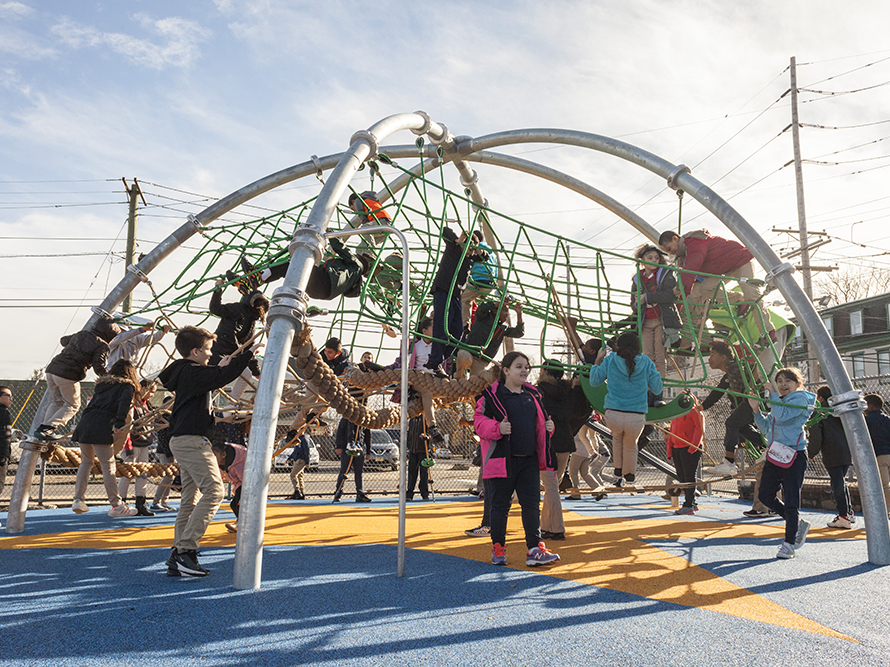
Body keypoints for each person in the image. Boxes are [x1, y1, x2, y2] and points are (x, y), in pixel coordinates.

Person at [158, 325, 255, 577]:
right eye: (208, 350)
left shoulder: (185, 373)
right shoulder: (192, 372)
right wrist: (248, 354)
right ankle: (185, 551)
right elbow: (219, 377)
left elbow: (214, 376)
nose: (211, 354)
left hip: (183, 439)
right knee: (214, 491)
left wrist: (221, 367)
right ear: (195, 351)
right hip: (191, 441)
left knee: (189, 498)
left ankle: (178, 553)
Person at [475, 351, 560, 567]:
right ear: (505, 370)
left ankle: (534, 548)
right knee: (500, 506)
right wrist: (497, 428)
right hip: (502, 460)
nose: (524, 371)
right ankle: (498, 547)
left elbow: (539, 424)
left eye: (527, 367)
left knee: (531, 504)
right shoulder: (491, 396)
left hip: (529, 460)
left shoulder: (532, 396)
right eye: (519, 367)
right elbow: (479, 422)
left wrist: (549, 428)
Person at [658, 229, 774, 343]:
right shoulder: (683, 257)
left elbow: (693, 264)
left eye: (669, 248)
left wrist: (681, 287)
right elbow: (687, 282)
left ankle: (768, 332)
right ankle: (739, 298)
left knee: (752, 295)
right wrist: (678, 304)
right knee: (705, 288)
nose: (670, 252)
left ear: (675, 239)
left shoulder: (694, 242)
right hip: (722, 269)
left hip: (739, 260)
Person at [748, 367, 816, 559]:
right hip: (776, 453)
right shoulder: (779, 402)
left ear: (797, 384)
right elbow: (766, 427)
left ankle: (788, 544)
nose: (783, 384)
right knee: (765, 495)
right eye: (780, 381)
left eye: (788, 381)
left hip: (794, 455)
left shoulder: (801, 399)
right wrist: (755, 409)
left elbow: (782, 416)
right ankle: (796, 523)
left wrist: (774, 395)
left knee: (791, 499)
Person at [589, 332, 663, 489]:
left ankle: (617, 472)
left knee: (617, 438)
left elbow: (595, 381)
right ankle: (629, 478)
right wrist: (654, 372)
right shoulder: (645, 362)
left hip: (613, 413)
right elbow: (657, 387)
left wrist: (598, 360)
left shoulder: (610, 360)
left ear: (618, 346)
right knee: (631, 444)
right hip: (635, 415)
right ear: (638, 346)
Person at [70, 359, 140, 517]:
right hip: (102, 425)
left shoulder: (102, 385)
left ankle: (78, 499)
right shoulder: (127, 385)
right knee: (109, 467)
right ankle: (116, 505)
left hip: (86, 422)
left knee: (86, 462)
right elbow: (124, 404)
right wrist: (119, 423)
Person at [33, 315, 121, 440]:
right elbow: (99, 366)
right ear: (109, 334)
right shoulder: (102, 345)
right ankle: (49, 428)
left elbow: (63, 341)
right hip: (68, 373)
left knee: (57, 401)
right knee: (73, 405)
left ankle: (44, 429)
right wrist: (111, 378)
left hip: (52, 369)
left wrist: (78, 340)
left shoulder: (82, 334)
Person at [426, 227, 488, 372]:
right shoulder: (452, 248)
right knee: (442, 326)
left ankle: (438, 362)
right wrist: (459, 240)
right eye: (469, 248)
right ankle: (434, 362)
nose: (470, 252)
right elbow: (445, 230)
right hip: (443, 291)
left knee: (457, 332)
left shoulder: (469, 257)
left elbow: (484, 257)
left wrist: (478, 250)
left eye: (472, 250)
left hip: (456, 295)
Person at [537, 360, 584, 540]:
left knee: (550, 487)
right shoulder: (569, 391)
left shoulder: (539, 392)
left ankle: (556, 528)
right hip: (564, 441)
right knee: (552, 486)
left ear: (545, 371)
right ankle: (547, 526)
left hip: (545, 442)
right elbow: (579, 413)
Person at [700, 342, 762, 477]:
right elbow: (717, 392)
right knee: (742, 426)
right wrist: (702, 406)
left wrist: (737, 406)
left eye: (712, 355)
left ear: (723, 357)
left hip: (753, 399)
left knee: (731, 423)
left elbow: (746, 381)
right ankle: (766, 447)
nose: (709, 359)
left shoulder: (733, 368)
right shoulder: (731, 372)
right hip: (754, 399)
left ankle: (729, 462)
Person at [209, 278, 268, 402]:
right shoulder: (238, 309)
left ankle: (232, 403)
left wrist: (256, 371)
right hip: (217, 351)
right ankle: (208, 402)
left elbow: (248, 348)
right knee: (212, 382)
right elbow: (215, 308)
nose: (259, 309)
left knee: (246, 373)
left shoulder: (251, 323)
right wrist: (218, 290)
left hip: (229, 355)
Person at [630, 244, 681, 377]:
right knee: (647, 355)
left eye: (656, 258)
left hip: (661, 319)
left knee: (660, 355)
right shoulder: (637, 279)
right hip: (645, 320)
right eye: (650, 258)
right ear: (642, 261)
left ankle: (659, 386)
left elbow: (670, 294)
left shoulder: (664, 274)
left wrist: (646, 297)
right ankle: (648, 386)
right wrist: (637, 303)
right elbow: (633, 303)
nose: (653, 261)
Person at [808, 386, 855, 528]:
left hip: (831, 450)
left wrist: (811, 453)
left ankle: (843, 516)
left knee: (837, 484)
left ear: (820, 398)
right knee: (841, 481)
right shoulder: (841, 410)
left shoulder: (819, 412)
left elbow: (816, 436)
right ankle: (848, 512)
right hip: (846, 449)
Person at [117, 379, 157, 516]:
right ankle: (119, 504)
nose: (152, 395)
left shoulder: (147, 406)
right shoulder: (132, 404)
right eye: (151, 392)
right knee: (127, 474)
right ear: (143, 388)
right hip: (133, 444)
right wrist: (127, 447)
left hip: (144, 443)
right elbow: (126, 425)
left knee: (142, 474)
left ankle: (140, 503)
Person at [455, 300, 524, 378]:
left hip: (482, 360)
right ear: (495, 311)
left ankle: (465, 383)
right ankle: (459, 377)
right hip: (470, 352)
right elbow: (482, 308)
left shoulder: (504, 327)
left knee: (477, 381)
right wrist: (498, 303)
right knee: (464, 357)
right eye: (505, 311)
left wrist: (519, 314)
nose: (507, 314)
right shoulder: (484, 317)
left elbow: (519, 332)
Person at [666, 394, 704, 514]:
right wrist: (669, 450)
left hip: (689, 447)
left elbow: (699, 430)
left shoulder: (695, 412)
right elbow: (672, 432)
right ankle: (691, 502)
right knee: (681, 476)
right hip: (678, 447)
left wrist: (693, 447)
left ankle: (688, 504)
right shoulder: (676, 414)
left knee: (689, 476)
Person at [332, 417, 372, 503]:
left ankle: (360, 493)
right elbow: (339, 433)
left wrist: (368, 451)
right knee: (344, 471)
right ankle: (338, 492)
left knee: (359, 472)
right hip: (346, 448)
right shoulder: (346, 418)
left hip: (359, 449)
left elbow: (367, 436)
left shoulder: (364, 419)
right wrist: (338, 446)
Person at [211, 439, 247, 533]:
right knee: (234, 504)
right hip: (239, 483)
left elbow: (246, 481)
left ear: (223, 455)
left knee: (238, 503)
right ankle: (241, 524)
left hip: (246, 483)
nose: (211, 458)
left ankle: (240, 524)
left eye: (214, 456)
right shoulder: (220, 464)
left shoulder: (239, 463)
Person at [864, 393, 890, 518]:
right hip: (889, 452)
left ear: (870, 405)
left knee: (884, 485)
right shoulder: (887, 419)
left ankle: (886, 510)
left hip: (879, 455)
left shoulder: (866, 421)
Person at [461, 240, 498, 326]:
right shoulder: (493, 254)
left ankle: (465, 325)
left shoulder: (474, 250)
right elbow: (495, 271)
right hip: (490, 284)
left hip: (478, 282)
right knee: (471, 298)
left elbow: (471, 269)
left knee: (462, 299)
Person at [149, 396, 176, 513]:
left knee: (170, 477)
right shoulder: (162, 417)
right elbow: (162, 438)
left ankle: (164, 502)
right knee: (168, 476)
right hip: (164, 451)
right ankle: (155, 502)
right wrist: (169, 453)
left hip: (172, 450)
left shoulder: (172, 416)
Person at [405, 415, 431, 501]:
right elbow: (410, 432)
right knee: (412, 472)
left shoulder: (426, 418)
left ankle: (424, 493)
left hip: (423, 450)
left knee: (424, 473)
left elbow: (432, 433)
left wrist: (427, 437)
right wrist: (408, 444)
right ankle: (409, 493)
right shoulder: (412, 419)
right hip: (413, 450)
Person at [286, 430, 311, 500]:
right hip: (297, 459)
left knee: (293, 475)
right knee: (299, 476)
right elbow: (295, 451)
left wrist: (307, 462)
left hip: (301, 460)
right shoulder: (298, 439)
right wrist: (289, 458)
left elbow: (307, 451)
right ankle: (302, 492)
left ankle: (297, 491)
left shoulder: (304, 439)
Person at [0, 386, 13, 497]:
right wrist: (4, 456)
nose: (11, 399)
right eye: (8, 396)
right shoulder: (4, 412)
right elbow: (4, 436)